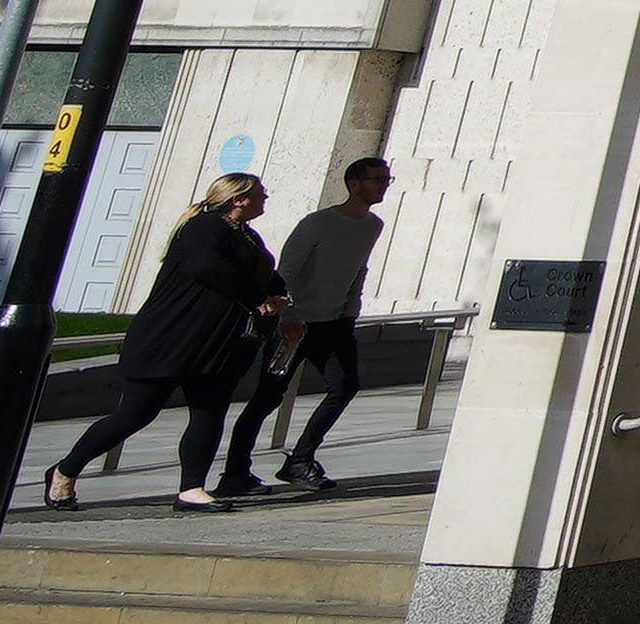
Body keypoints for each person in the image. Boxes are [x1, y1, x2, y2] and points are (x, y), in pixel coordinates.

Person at [42, 174, 284, 513]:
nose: (266, 197)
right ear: (238, 199)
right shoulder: (203, 229)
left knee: (209, 413)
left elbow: (266, 274)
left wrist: (277, 295)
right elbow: (209, 269)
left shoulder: (247, 236)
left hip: (214, 345)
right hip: (169, 339)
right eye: (260, 193)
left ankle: (191, 489)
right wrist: (257, 297)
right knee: (134, 414)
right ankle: (65, 470)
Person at [230, 157, 391, 496]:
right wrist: (287, 315)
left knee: (344, 386)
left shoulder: (373, 225)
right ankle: (235, 473)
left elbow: (358, 269)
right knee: (267, 397)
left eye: (386, 179)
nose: (382, 185)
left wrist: (351, 306)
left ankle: (300, 460)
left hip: (335, 324)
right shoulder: (317, 224)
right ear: (354, 184)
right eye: (376, 179)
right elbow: (285, 272)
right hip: (294, 325)